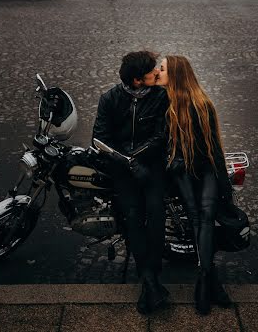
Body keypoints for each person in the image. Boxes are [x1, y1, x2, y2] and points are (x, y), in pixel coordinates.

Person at [92, 51, 169, 315]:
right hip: (123, 169)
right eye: (151, 72)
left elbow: (161, 135)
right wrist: (129, 164)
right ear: (137, 80)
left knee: (156, 214)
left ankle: (151, 276)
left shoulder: (161, 97)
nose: (156, 73)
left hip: (152, 165)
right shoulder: (110, 99)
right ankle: (150, 281)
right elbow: (100, 140)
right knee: (133, 216)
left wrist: (139, 160)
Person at [156, 56, 233, 315]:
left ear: (176, 74)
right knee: (196, 219)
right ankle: (212, 282)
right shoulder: (162, 102)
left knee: (207, 217)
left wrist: (225, 187)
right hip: (181, 171)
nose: (159, 72)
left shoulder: (202, 105)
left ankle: (204, 278)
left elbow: (214, 150)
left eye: (163, 69)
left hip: (205, 168)